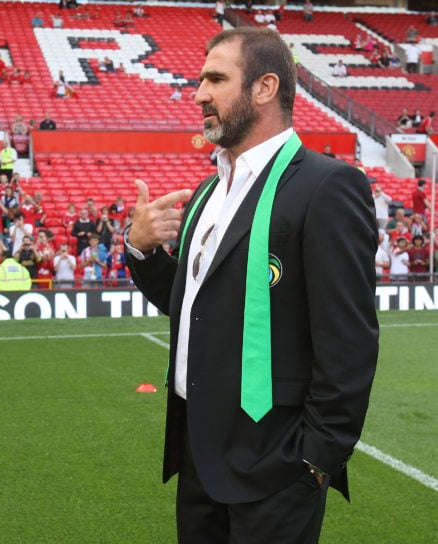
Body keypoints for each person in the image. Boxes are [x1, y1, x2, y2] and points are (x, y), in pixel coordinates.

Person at [124, 27, 378, 543]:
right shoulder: (206, 191)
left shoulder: (327, 186)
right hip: (198, 451)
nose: (199, 94)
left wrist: (314, 460)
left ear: (265, 88)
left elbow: (349, 342)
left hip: (278, 462)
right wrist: (142, 251)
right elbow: (194, 305)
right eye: (200, 79)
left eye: (216, 79)